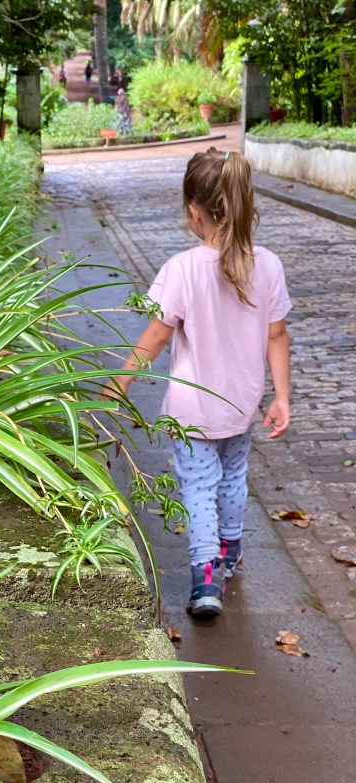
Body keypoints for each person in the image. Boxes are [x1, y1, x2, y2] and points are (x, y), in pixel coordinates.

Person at [113, 149, 291, 619]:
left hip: (192, 412)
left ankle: (206, 580)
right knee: (233, 478)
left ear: (194, 213)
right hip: (242, 406)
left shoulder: (182, 269)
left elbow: (155, 336)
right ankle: (229, 552)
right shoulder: (268, 265)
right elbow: (277, 336)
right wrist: (281, 397)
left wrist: (118, 383)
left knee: (198, 488)